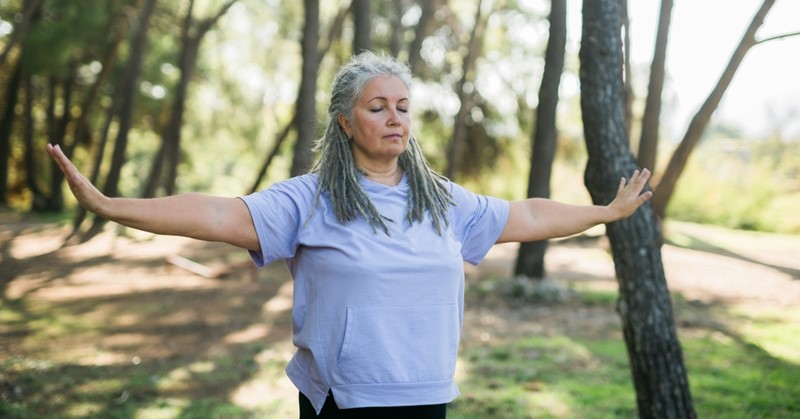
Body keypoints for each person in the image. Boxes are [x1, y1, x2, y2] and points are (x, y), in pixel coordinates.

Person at [47, 51, 652, 418]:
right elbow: (214, 215)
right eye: (378, 106)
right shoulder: (309, 199)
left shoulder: (441, 199)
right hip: (345, 403)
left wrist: (603, 212)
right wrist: (109, 205)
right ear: (345, 120)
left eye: (404, 107)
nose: (395, 118)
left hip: (425, 397)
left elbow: (529, 217)